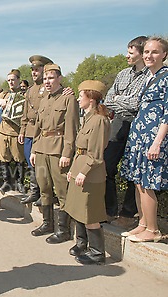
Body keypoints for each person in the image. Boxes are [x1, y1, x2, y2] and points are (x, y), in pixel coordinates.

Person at [121, 37, 168, 243]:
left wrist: (157, 142)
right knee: (138, 182)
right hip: (139, 135)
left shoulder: (166, 77)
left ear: (164, 55)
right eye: (147, 51)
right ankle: (143, 223)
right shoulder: (149, 77)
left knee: (147, 183)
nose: (149, 56)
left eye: (155, 52)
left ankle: (153, 229)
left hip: (153, 137)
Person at [29, 63, 79, 244]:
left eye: (51, 78)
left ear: (59, 78)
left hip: (58, 149)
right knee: (44, 188)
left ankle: (63, 230)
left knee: (62, 190)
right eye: (45, 79)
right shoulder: (44, 99)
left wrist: (67, 153)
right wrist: (34, 149)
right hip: (42, 148)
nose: (47, 82)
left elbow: (71, 129)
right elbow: (38, 127)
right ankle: (47, 223)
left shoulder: (68, 99)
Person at [103, 36, 149, 228]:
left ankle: (128, 214)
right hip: (119, 122)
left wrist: (120, 99)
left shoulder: (150, 75)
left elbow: (137, 104)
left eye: (131, 52)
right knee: (106, 166)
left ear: (141, 53)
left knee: (134, 171)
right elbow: (108, 99)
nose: (127, 55)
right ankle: (109, 210)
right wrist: (124, 100)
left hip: (139, 124)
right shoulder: (122, 74)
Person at [65, 80, 110, 265]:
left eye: (81, 95)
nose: (78, 98)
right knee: (78, 211)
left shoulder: (99, 120)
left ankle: (97, 252)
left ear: (91, 98)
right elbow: (80, 150)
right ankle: (82, 244)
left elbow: (96, 154)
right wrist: (74, 171)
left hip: (92, 175)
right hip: (81, 171)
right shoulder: (89, 118)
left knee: (90, 214)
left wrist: (83, 172)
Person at [19, 55, 54, 205]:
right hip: (30, 131)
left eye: (37, 70)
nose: (34, 73)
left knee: (42, 164)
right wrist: (22, 130)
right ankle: (35, 192)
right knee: (30, 162)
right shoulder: (30, 90)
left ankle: (46, 194)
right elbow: (25, 113)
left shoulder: (48, 88)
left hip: (43, 131)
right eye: (32, 70)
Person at [0, 69, 26, 194]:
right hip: (3, 130)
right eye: (9, 80)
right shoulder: (4, 94)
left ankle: (19, 182)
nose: (11, 82)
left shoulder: (24, 95)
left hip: (16, 131)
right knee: (2, 157)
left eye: (13, 80)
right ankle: (6, 182)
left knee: (19, 158)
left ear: (18, 80)